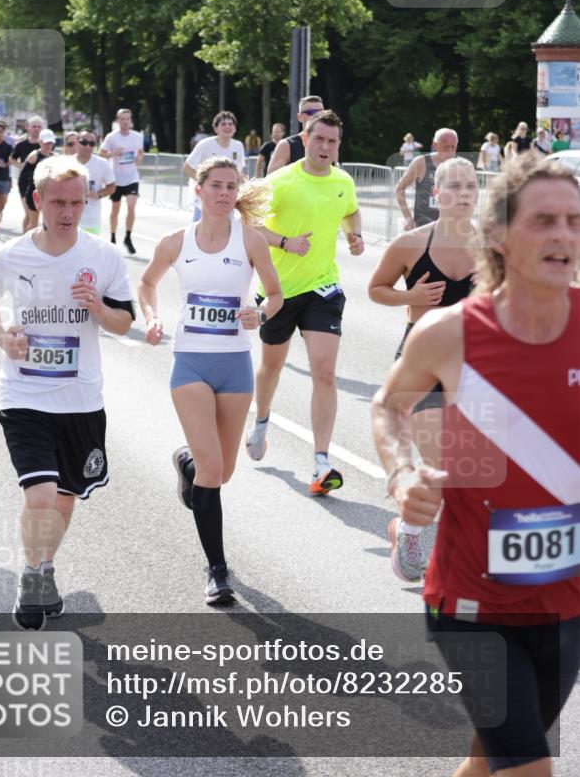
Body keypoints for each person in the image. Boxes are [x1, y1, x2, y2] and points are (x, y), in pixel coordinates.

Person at [372, 155, 580, 777]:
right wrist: (402, 474)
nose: (563, 236)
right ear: (498, 235)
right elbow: (388, 406)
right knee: (530, 768)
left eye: (574, 221)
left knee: (493, 758)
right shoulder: (449, 333)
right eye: (544, 221)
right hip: (472, 602)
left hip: (566, 598)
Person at [0, 156, 135, 630]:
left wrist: (99, 308)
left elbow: (124, 323)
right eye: (58, 202)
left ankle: (45, 566)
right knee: (41, 492)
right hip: (24, 393)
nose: (68, 212)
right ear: (37, 200)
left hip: (80, 397)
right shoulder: (12, 255)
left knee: (65, 496)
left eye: (76, 202)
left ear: (86, 201)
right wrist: (3, 338)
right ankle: (30, 576)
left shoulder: (103, 256)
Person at [138, 157, 282, 605]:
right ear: (198, 190)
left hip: (235, 364)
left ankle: (186, 463)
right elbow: (146, 284)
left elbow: (276, 294)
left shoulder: (250, 239)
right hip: (191, 363)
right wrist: (151, 317)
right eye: (215, 185)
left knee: (222, 471)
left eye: (231, 186)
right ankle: (217, 571)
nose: (223, 193)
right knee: (213, 470)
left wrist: (259, 313)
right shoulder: (175, 242)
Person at [368, 157, 478, 580]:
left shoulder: (494, 248)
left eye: (470, 186)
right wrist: (409, 296)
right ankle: (451, 564)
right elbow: (376, 289)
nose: (464, 194)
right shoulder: (411, 244)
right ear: (436, 193)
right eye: (454, 186)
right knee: (444, 462)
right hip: (422, 363)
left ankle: (408, 528)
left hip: (473, 366)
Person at [245, 110, 364, 494]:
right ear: (306, 139)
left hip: (323, 289)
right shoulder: (281, 181)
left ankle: (321, 463)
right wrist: (285, 243)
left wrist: (356, 235)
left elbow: (351, 212)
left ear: (339, 145)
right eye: (319, 139)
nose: (325, 147)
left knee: (325, 372)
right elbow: (249, 223)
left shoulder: (343, 181)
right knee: (271, 367)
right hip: (278, 291)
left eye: (332, 141)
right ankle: (262, 420)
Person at [184, 112, 245, 222]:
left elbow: (239, 173)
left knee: (226, 226)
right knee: (201, 226)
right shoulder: (205, 145)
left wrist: (245, 188)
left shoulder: (238, 146)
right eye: (223, 124)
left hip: (226, 196)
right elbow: (187, 167)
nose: (227, 126)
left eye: (230, 124)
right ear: (216, 128)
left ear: (235, 128)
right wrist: (206, 183)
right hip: (205, 196)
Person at [395, 127, 459, 230]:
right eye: (446, 147)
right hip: (424, 228)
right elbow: (400, 188)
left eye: (453, 147)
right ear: (435, 145)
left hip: (451, 228)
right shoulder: (421, 163)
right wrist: (408, 218)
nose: (450, 151)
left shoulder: (460, 165)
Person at [100, 108, 144, 255]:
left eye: (127, 119)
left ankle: (128, 237)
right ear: (118, 121)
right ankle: (112, 237)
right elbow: (102, 153)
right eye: (122, 119)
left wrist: (139, 158)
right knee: (115, 209)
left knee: (131, 206)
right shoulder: (112, 137)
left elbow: (140, 153)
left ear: (131, 121)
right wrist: (113, 153)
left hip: (132, 177)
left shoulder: (137, 136)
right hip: (116, 178)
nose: (125, 122)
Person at [267, 96, 325, 174]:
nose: (317, 116)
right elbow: (271, 178)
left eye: (321, 113)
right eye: (311, 112)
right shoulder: (287, 145)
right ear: (300, 117)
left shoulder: (330, 143)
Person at [74, 129, 115, 235]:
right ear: (77, 142)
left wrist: (99, 194)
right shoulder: (67, 163)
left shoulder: (102, 164)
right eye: (84, 142)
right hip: (70, 219)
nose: (88, 146)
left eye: (92, 144)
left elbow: (112, 186)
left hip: (91, 222)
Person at [10, 115, 44, 232]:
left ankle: (26, 236)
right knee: (29, 213)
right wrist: (22, 166)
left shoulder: (45, 144)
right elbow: (11, 159)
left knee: (32, 214)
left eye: (39, 126)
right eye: (34, 126)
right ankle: (26, 237)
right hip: (25, 182)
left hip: (40, 182)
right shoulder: (22, 144)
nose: (36, 129)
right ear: (28, 127)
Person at [22, 129, 56, 231]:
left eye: (50, 143)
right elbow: (23, 176)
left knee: (48, 222)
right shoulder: (34, 156)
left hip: (49, 193)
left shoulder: (55, 157)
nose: (48, 146)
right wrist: (23, 194)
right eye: (46, 143)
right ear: (40, 142)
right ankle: (25, 238)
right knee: (34, 224)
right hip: (34, 193)